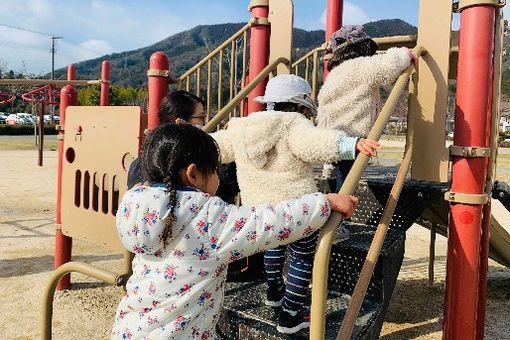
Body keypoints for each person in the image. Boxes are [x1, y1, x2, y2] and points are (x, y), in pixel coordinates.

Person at [110, 123, 359, 339]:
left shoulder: (137, 207)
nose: (219, 174)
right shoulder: (206, 219)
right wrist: (325, 203)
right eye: (216, 169)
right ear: (193, 173)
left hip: (130, 329)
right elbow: (269, 223)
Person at [210, 74, 379, 334]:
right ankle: (291, 315)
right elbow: (317, 144)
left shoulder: (242, 127)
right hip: (299, 211)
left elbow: (217, 146)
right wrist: (351, 144)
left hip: (261, 212)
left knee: (273, 247)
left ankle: (274, 291)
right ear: (300, 107)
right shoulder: (293, 124)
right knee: (301, 258)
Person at [317, 25, 415, 191]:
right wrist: (406, 54)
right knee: (348, 181)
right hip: (352, 138)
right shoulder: (360, 66)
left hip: (331, 136)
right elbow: (388, 65)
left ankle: (334, 194)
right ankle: (342, 210)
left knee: (342, 173)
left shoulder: (334, 74)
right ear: (363, 47)